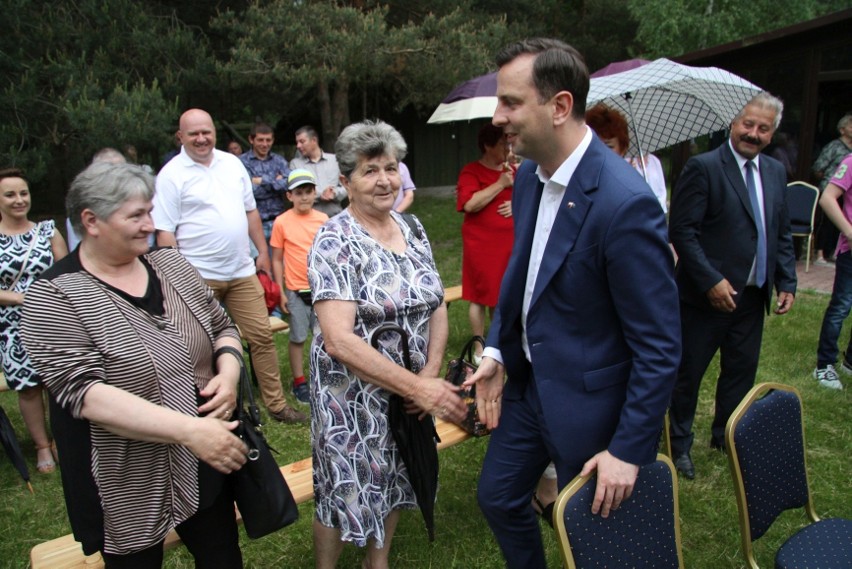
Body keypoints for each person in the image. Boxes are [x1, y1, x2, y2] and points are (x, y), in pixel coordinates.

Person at [466, 39, 681, 569]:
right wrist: (496, 351)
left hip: (593, 406)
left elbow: (659, 346)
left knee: (601, 544)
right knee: (497, 496)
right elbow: (522, 276)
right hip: (530, 388)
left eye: (511, 103)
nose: (499, 118)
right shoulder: (529, 183)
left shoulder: (624, 203)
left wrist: (629, 450)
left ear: (559, 106)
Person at [21, 162, 247, 567]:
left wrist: (228, 376)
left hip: (204, 459)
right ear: (91, 220)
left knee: (222, 558)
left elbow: (222, 326)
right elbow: (85, 394)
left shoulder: (172, 265)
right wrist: (191, 430)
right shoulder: (54, 297)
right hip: (123, 477)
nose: (150, 224)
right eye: (136, 215)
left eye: (150, 211)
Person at [307, 120, 466, 569]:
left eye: (392, 168)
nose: (384, 180)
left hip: (412, 386)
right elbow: (338, 340)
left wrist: (429, 373)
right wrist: (416, 388)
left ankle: (378, 564)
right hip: (351, 396)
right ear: (345, 182)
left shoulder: (413, 228)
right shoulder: (334, 239)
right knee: (343, 486)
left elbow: (436, 302)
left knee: (397, 472)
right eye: (369, 170)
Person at [668, 92, 797, 480]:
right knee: (688, 374)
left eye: (763, 128)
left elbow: (780, 231)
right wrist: (710, 280)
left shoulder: (774, 171)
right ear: (733, 123)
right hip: (704, 298)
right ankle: (678, 444)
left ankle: (726, 436)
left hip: (752, 295)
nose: (753, 134)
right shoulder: (704, 167)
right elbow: (682, 231)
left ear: (772, 133)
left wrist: (786, 279)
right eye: (748, 124)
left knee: (741, 371)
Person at [154, 108, 306, 424]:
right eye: (193, 133)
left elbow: (251, 212)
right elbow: (164, 232)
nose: (201, 138)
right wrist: (174, 276)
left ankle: (277, 406)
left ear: (214, 132)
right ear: (180, 137)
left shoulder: (232, 164)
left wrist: (262, 252)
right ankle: (213, 410)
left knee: (262, 337)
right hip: (196, 276)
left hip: (240, 271)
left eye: (206, 131)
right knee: (200, 347)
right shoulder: (170, 175)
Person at [0, 168, 68, 473]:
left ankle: (64, 440)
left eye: (23, 193)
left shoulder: (47, 231)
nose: (19, 200)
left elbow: (66, 273)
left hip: (51, 318)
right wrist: (21, 299)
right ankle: (42, 446)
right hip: (11, 325)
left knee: (60, 382)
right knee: (28, 387)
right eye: (10, 194)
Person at [270, 169, 328, 405]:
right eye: (299, 193)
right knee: (297, 337)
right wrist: (280, 290)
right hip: (296, 290)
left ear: (315, 193)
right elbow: (276, 258)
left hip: (322, 290)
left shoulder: (323, 220)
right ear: (289, 195)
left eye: (308, 192)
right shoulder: (282, 222)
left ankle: (323, 375)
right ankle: (299, 381)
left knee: (324, 337)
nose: (304, 197)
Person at [456, 123, 514, 357]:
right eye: (503, 143)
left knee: (500, 294)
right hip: (482, 244)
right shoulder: (471, 172)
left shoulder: (512, 170)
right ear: (488, 145)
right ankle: (479, 347)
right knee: (481, 296)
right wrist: (499, 184)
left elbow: (531, 198)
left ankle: (498, 341)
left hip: (508, 244)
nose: (508, 149)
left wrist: (517, 203)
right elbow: (469, 204)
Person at [813, 153, 852, 390]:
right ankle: (824, 365)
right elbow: (827, 198)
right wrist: (849, 231)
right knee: (841, 307)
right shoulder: (850, 162)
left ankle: (850, 362)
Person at [585, 103, 668, 213]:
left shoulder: (632, 186)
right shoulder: (579, 181)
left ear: (622, 149)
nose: (601, 151)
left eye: (609, 146)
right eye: (594, 144)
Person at [67, 148, 128, 251]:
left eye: (123, 170)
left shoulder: (143, 205)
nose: (117, 177)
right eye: (109, 171)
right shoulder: (80, 212)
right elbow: (78, 253)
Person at [239, 123, 291, 243]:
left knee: (280, 261)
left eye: (268, 140)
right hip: (254, 224)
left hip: (279, 221)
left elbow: (288, 184)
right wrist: (275, 181)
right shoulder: (241, 162)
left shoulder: (279, 161)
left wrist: (261, 180)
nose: (265, 144)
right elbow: (249, 191)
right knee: (260, 261)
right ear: (251, 140)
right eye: (260, 140)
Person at [812, 113, 852, 264]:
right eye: (850, 125)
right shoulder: (834, 146)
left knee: (839, 224)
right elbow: (818, 167)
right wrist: (828, 179)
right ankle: (820, 254)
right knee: (826, 223)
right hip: (831, 187)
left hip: (847, 191)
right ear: (842, 130)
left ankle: (832, 252)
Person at [289, 126, 346, 217]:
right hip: (308, 219)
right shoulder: (296, 164)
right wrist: (321, 195)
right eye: (297, 142)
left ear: (314, 140)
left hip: (335, 217)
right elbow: (296, 191)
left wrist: (334, 193)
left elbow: (347, 186)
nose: (298, 146)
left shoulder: (335, 160)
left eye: (302, 142)